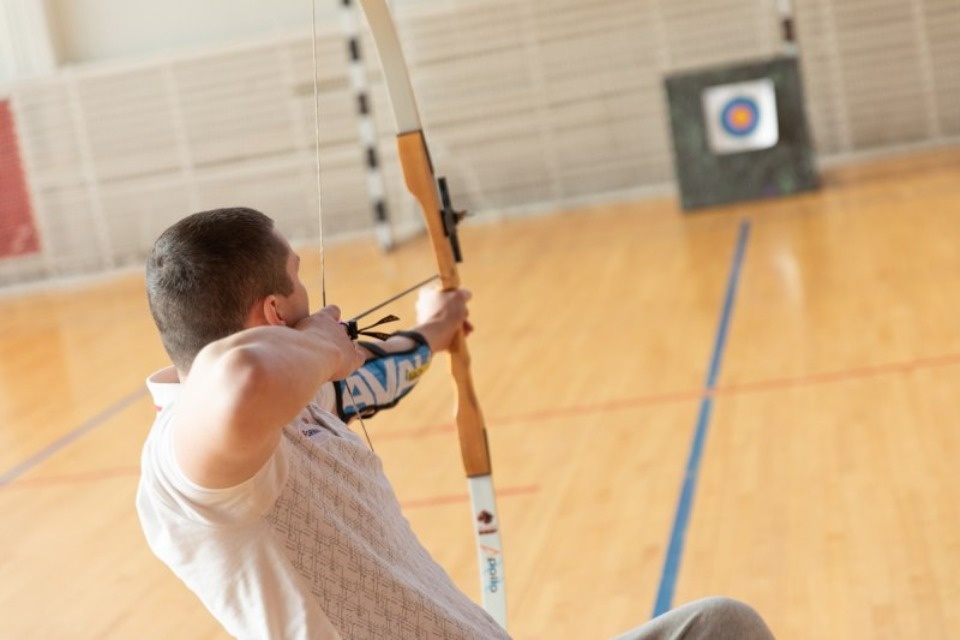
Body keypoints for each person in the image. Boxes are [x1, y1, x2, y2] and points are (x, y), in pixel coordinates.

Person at [137, 207, 775, 639]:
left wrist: (432, 333)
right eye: (301, 281)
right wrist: (329, 345)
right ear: (275, 311)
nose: (321, 303)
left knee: (720, 628)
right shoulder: (189, 462)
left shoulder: (297, 401)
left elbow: (362, 382)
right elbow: (245, 379)